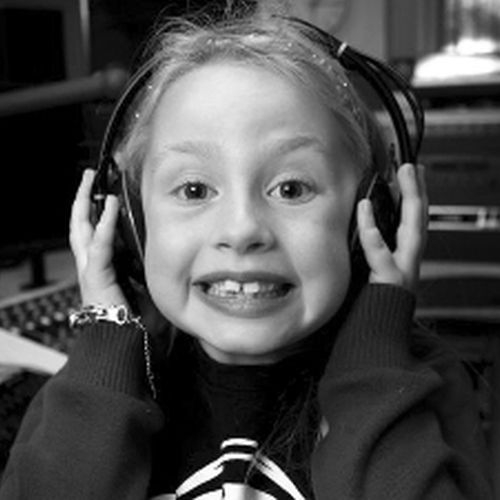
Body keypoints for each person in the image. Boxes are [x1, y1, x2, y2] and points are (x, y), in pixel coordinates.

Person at [0, 9, 492, 500]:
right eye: (194, 189)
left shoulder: (418, 392)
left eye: (291, 188)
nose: (242, 231)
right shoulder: (89, 393)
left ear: (377, 214)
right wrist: (106, 340)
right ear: (129, 221)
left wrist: (376, 357)